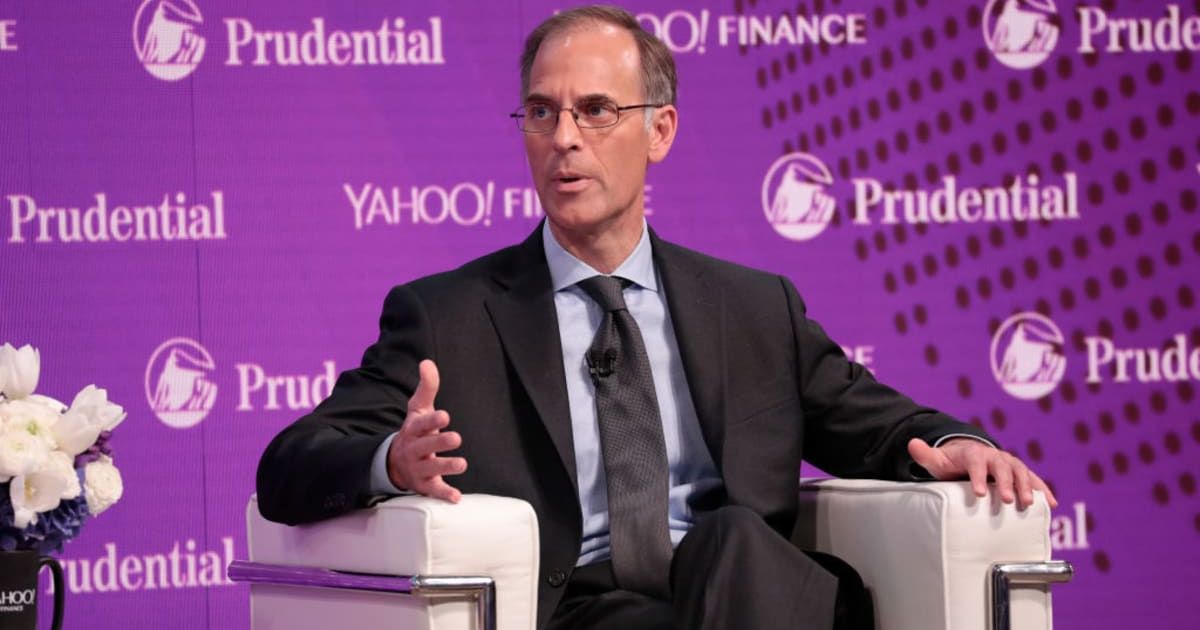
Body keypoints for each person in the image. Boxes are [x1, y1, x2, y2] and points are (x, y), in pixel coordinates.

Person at [256, 5, 1057, 630]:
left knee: (735, 539)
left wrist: (957, 445)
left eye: (596, 110)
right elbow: (289, 464)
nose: (565, 138)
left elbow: (874, 423)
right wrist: (394, 462)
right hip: (591, 609)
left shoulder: (752, 308)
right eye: (541, 112)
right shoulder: (448, 317)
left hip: (751, 593)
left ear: (660, 131)